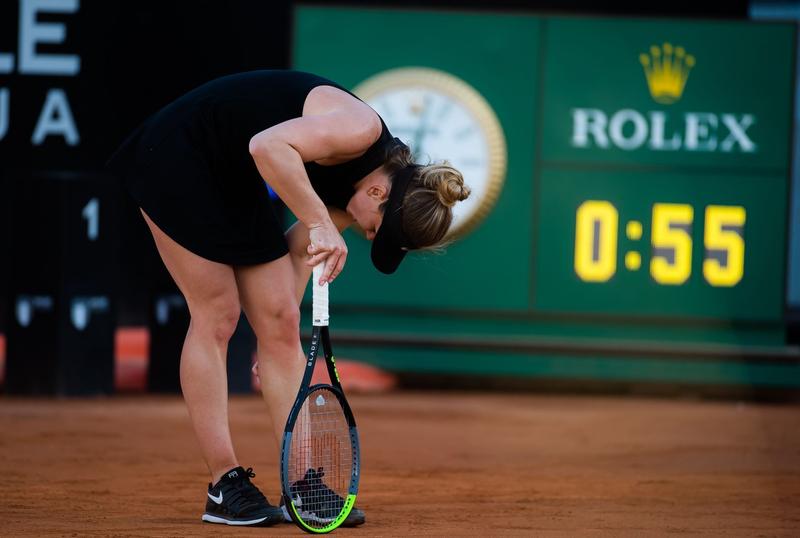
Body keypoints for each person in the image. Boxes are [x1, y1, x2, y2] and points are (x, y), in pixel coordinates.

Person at [106, 69, 470, 527]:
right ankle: (224, 484)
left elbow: (300, 256)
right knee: (218, 313)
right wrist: (318, 221)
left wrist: (274, 335)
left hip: (234, 174)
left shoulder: (355, 193)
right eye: (374, 228)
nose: (364, 233)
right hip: (177, 153)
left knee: (279, 324)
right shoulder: (358, 129)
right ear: (378, 192)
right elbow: (266, 146)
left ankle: (302, 485)